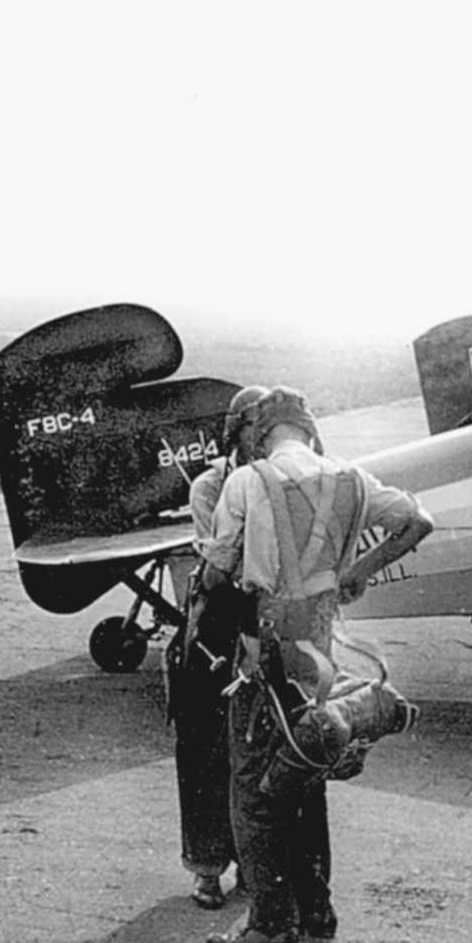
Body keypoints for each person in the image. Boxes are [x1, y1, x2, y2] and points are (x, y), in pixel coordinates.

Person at [200, 386, 434, 943]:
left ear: (260, 434)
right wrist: (358, 571)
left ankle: (271, 922)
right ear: (309, 430)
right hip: (322, 647)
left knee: (254, 791)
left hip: (266, 651)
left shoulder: (246, 482)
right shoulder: (352, 479)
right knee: (302, 773)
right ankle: (317, 909)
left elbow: (214, 575)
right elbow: (418, 521)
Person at [165, 385, 270, 910]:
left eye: (269, 425)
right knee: (205, 750)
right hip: (216, 624)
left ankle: (257, 866)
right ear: (236, 431)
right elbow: (220, 564)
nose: (263, 435)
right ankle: (207, 867)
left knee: (261, 751)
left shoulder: (280, 480)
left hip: (265, 620)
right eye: (254, 424)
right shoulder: (211, 486)